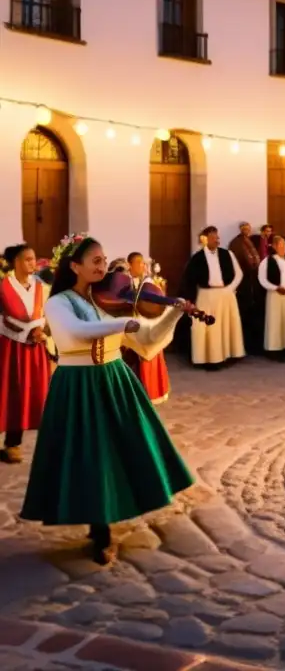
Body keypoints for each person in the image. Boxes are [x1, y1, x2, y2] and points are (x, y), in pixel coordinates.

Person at [20, 235, 194, 565]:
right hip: (79, 383)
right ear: (75, 267)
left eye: (104, 260)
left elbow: (148, 341)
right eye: (95, 261)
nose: (104, 266)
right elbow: (72, 332)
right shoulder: (58, 303)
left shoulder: (109, 300)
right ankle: (100, 530)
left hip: (115, 379)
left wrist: (174, 313)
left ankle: (118, 509)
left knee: (120, 451)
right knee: (90, 455)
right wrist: (122, 323)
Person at [0, 244, 50, 464]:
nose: (33, 263)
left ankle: (13, 443)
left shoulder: (39, 287)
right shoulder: (3, 287)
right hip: (10, 348)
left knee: (27, 393)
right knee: (8, 392)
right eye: (28, 259)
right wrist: (29, 329)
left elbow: (43, 313)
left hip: (34, 349)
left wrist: (42, 329)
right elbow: (12, 315)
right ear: (16, 262)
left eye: (34, 259)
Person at [179, 226, 245, 368]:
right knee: (207, 326)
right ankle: (208, 358)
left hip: (226, 294)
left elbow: (239, 273)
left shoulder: (228, 254)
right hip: (206, 295)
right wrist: (189, 299)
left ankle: (228, 355)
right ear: (205, 239)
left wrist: (230, 289)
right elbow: (189, 280)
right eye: (213, 238)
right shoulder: (197, 258)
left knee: (227, 326)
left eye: (217, 237)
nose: (216, 240)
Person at [120, 252, 172, 404]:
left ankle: (149, 392)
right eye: (139, 263)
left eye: (144, 263)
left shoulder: (148, 283)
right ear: (130, 265)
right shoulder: (123, 282)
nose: (143, 266)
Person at [258, 236, 285, 359]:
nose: (283, 248)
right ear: (274, 247)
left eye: (284, 245)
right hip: (275, 294)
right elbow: (262, 279)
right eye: (280, 245)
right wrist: (276, 288)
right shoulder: (267, 261)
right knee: (275, 321)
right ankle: (274, 348)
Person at [229, 222, 263, 352]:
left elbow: (255, 257)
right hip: (243, 281)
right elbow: (241, 260)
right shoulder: (236, 243)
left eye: (248, 229)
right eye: (244, 229)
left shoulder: (250, 241)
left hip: (252, 280)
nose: (247, 231)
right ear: (240, 230)